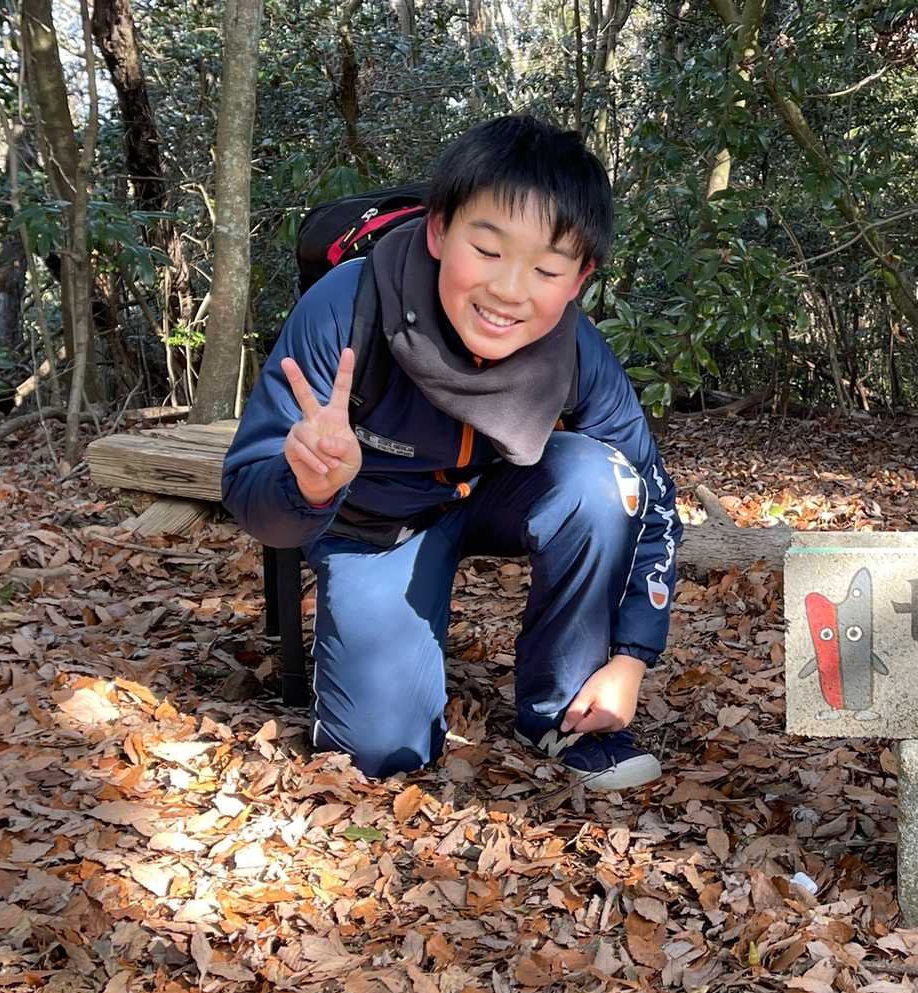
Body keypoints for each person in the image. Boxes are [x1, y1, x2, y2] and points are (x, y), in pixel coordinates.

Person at [222, 115, 681, 790]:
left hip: (491, 494)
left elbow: (653, 498)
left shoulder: (574, 349)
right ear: (439, 231)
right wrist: (308, 485)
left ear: (579, 278)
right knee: (380, 754)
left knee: (600, 478)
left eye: (546, 268)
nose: (509, 290)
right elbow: (252, 498)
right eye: (488, 251)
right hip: (372, 523)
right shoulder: (347, 309)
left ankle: (563, 712)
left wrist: (632, 657)